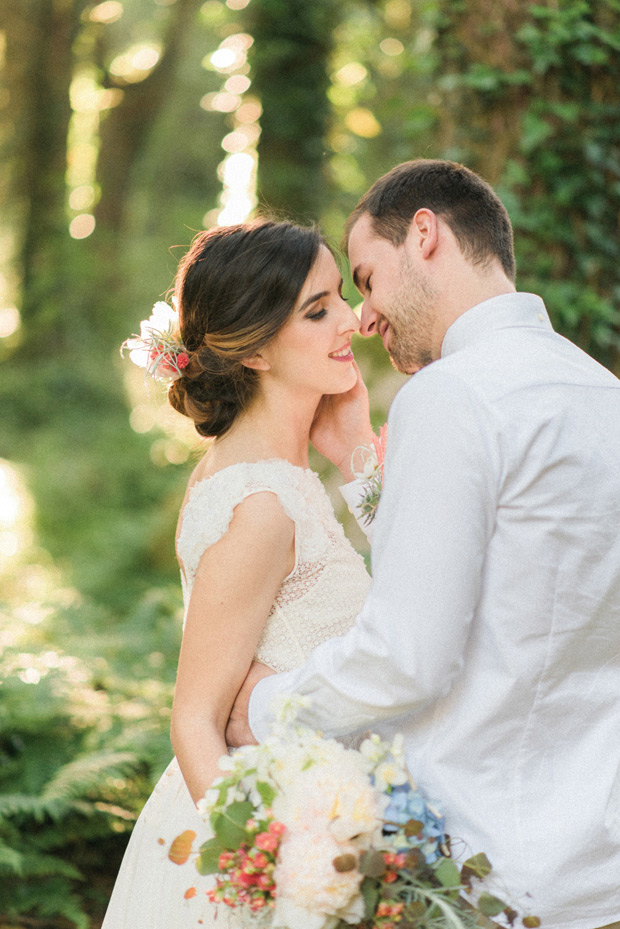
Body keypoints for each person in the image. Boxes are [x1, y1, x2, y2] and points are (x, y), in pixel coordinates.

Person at [227, 160, 620, 929]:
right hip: (599, 871)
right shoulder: (601, 394)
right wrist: (361, 465)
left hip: (485, 875)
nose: (364, 317)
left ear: (426, 233)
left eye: (366, 278)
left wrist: (264, 708)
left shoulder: (451, 394)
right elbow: (503, 571)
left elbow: (407, 653)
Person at [101, 220, 375, 928]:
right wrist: (267, 878)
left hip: (315, 814)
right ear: (254, 349)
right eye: (317, 311)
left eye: (339, 296)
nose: (350, 319)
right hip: (264, 840)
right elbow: (194, 718)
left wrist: (356, 455)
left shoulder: (276, 473)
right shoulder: (260, 505)